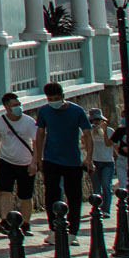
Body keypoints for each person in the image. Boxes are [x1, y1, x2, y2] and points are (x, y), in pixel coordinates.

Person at [34, 81, 95, 236]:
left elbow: (87, 134)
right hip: (51, 159)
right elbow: (40, 134)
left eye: (56, 98)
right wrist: (37, 158)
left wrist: (88, 157)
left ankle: (73, 232)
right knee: (51, 195)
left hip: (73, 161)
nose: (53, 102)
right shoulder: (44, 111)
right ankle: (54, 229)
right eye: (50, 99)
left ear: (62, 96)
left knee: (74, 197)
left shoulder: (77, 111)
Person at [0, 92, 39, 230]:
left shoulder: (29, 122)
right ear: (6, 107)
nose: (18, 107)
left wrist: (34, 162)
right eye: (14, 105)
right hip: (6, 161)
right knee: (5, 191)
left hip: (25, 162)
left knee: (25, 195)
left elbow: (37, 142)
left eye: (19, 104)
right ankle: (5, 220)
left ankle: (25, 223)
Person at [89, 110, 117, 216]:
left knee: (106, 185)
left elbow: (108, 144)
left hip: (107, 161)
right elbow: (86, 143)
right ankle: (97, 208)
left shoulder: (109, 131)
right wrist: (93, 133)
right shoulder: (90, 131)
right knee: (96, 187)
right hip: (95, 160)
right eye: (94, 120)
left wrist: (104, 132)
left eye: (98, 120)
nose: (96, 123)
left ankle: (106, 209)